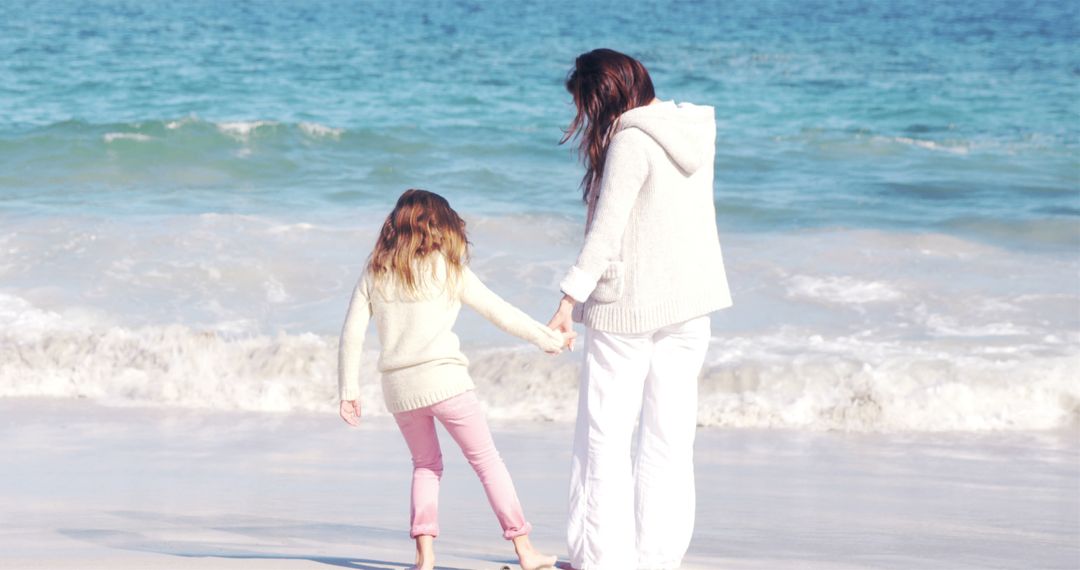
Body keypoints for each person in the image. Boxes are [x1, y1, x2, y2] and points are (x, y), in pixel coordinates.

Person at [547, 49, 733, 570]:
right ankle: (657, 560)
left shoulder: (631, 140)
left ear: (602, 97)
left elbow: (606, 233)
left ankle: (599, 560)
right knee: (669, 440)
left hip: (627, 308)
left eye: (584, 104)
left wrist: (567, 301)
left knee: (603, 437)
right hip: (690, 304)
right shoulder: (694, 129)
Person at [339, 189, 569, 570]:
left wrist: (349, 391)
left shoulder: (376, 271)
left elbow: (351, 334)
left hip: (400, 391)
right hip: (447, 383)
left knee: (426, 465)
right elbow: (500, 311)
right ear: (439, 226)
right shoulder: (448, 269)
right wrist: (550, 340)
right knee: (487, 462)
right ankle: (525, 550)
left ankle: (425, 557)